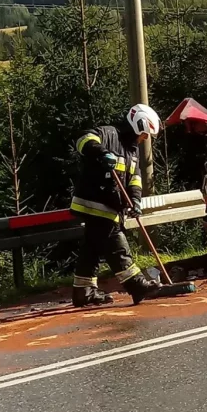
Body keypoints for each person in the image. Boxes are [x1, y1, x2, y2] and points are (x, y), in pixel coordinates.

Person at [71, 104, 163, 307]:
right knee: (116, 245)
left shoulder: (132, 151)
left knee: (92, 248)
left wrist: (135, 201)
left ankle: (83, 291)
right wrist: (101, 153)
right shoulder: (109, 134)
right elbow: (83, 139)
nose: (144, 139)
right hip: (96, 203)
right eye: (144, 134)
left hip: (110, 207)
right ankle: (137, 285)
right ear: (137, 125)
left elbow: (135, 179)